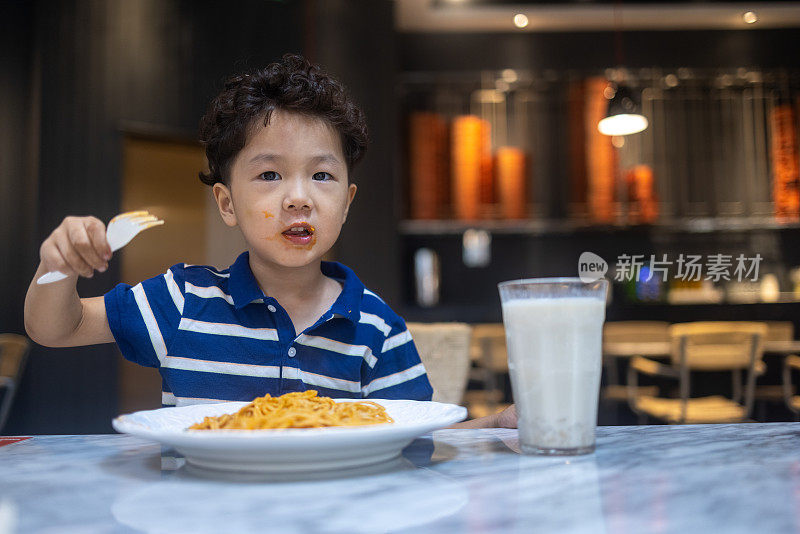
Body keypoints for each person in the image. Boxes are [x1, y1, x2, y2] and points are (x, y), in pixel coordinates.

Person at [24, 53, 516, 429]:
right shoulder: (182, 299)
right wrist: (58, 267)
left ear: (346, 202)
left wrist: (490, 427)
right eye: (270, 175)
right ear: (227, 203)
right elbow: (55, 329)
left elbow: (414, 438)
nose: (298, 198)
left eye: (321, 175)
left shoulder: (378, 328)